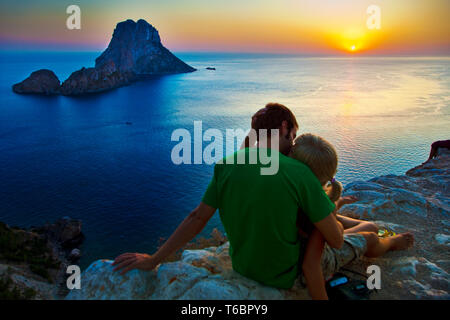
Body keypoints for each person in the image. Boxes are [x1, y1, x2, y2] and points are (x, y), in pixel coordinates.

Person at [112, 103, 414, 297]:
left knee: (333, 220)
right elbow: (334, 241)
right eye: (292, 137)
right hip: (288, 275)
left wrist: (154, 260)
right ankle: (392, 242)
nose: (293, 145)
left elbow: (196, 218)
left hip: (245, 267)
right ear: (284, 130)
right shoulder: (300, 174)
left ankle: (352, 219)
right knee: (369, 234)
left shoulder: (228, 163)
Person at [291, 133, 414, 299]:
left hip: (297, 245)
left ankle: (340, 213)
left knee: (340, 220)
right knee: (371, 232)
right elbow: (312, 265)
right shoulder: (318, 206)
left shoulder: (285, 191)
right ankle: (392, 242)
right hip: (318, 257)